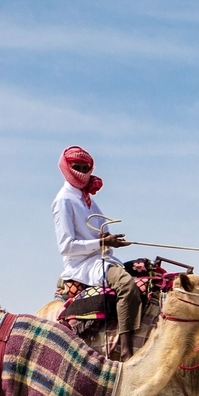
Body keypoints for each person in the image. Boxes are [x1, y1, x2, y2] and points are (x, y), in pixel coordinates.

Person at [52, 146, 142, 356]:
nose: (82, 172)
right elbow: (66, 246)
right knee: (127, 286)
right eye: (77, 167)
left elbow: (95, 234)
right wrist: (103, 243)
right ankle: (127, 351)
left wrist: (110, 241)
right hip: (83, 265)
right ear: (66, 167)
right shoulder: (64, 200)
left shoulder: (87, 200)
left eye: (85, 168)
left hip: (102, 258)